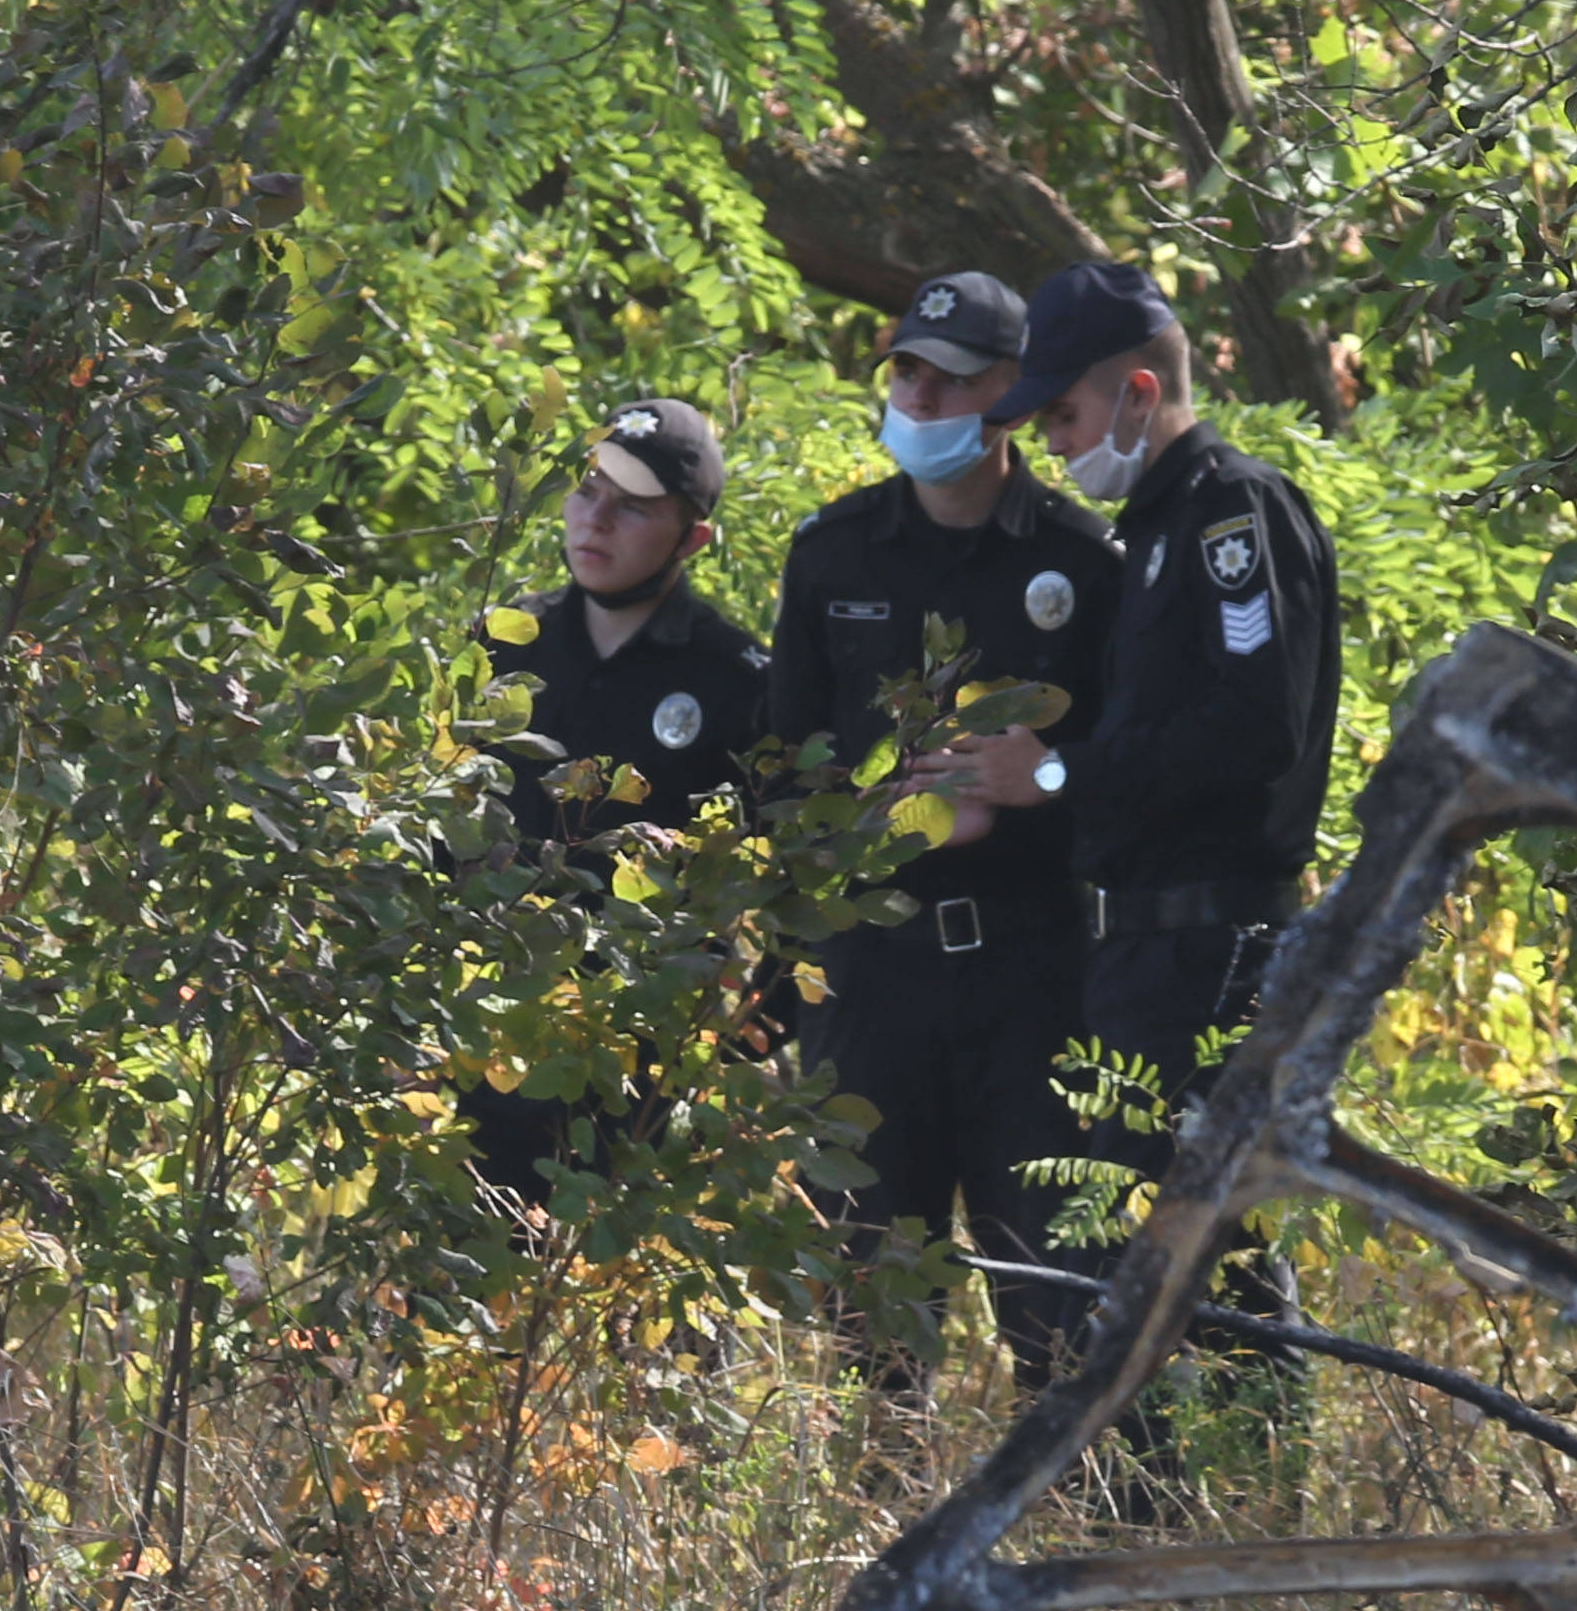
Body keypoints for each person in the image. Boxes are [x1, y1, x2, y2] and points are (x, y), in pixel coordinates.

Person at [761, 272, 1121, 1383]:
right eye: (907, 371)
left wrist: (1041, 781)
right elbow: (778, 779)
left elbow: (1132, 775)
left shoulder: (1080, 562)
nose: (920, 396)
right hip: (875, 975)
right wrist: (880, 822)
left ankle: (1085, 1529)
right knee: (874, 1310)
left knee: (1058, 1300)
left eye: (953, 378)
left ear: (1011, 396)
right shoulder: (834, 556)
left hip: (1033, 976)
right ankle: (885, 1527)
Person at [932, 262, 1341, 1133]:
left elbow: (1255, 725)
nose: (1051, 441)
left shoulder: (1234, 511)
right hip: (1143, 954)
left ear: (1139, 394)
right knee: (1144, 1251)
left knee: (1200, 1246)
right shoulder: (1154, 531)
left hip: (1216, 949)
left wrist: (1050, 776)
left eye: (1065, 415)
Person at [468, 394, 765, 1204]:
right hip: (482, 1039)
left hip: (638, 1063)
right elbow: (436, 829)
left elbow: (772, 888)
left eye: (633, 508)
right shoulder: (502, 642)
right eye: (587, 490)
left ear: (693, 537)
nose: (596, 521)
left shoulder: (735, 682)